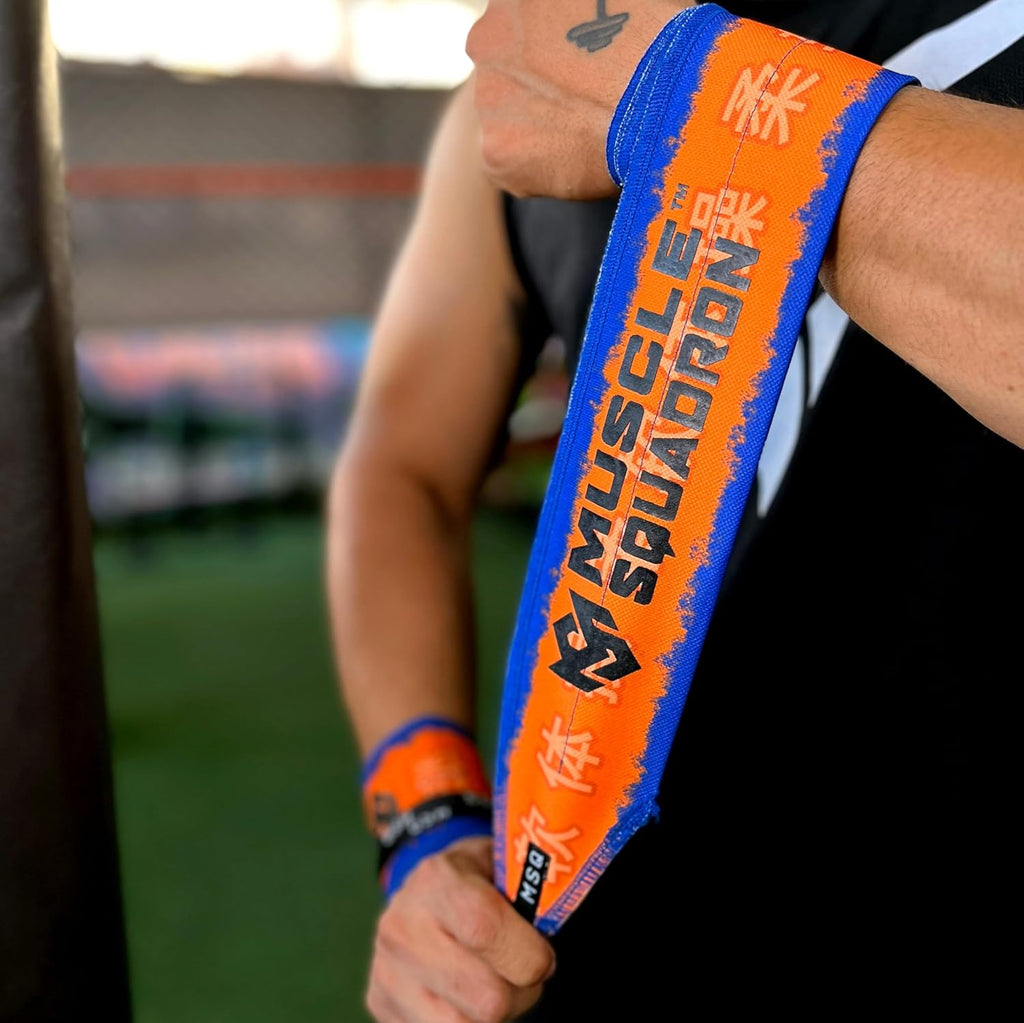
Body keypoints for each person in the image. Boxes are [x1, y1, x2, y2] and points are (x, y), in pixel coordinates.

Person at [327, 2, 1023, 1019]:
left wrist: (698, 103)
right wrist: (424, 817)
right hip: (614, 925)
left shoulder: (624, 66)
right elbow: (399, 465)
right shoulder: (539, 65)